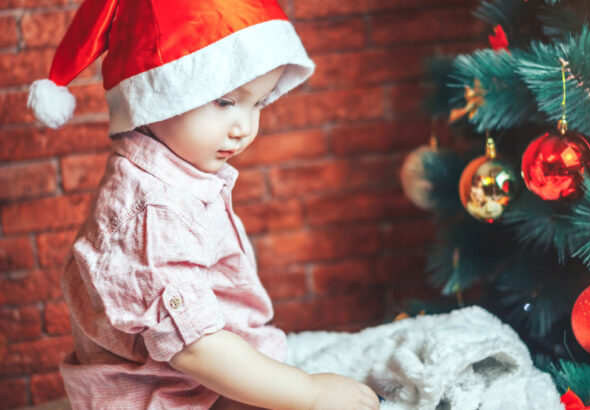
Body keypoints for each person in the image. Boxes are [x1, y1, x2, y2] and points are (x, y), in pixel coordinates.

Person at [27, 0, 380, 409]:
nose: (243, 127)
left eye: (258, 103)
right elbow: (195, 349)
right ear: (158, 95)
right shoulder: (153, 211)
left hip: (215, 378)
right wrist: (310, 393)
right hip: (175, 396)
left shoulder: (175, 175)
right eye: (226, 101)